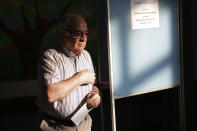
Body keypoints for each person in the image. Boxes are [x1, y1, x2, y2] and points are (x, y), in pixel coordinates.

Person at [36, 13, 101, 131]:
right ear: (63, 33)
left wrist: (96, 95)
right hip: (56, 126)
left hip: (83, 124)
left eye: (86, 33)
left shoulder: (86, 55)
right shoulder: (50, 57)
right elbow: (50, 94)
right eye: (77, 33)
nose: (83, 38)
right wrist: (80, 77)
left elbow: (93, 86)